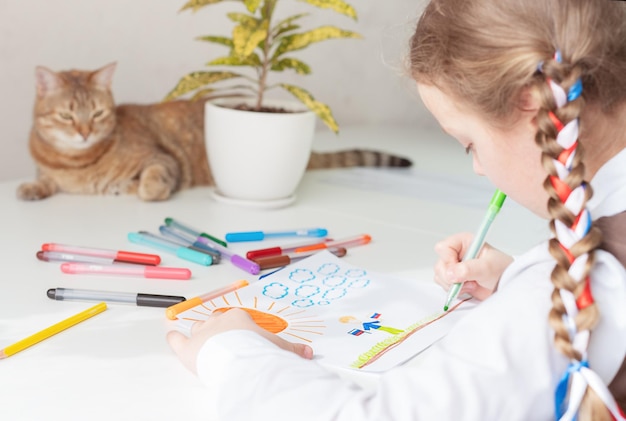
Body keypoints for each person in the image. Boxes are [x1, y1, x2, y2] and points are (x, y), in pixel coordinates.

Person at [166, 0, 626, 419]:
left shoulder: (591, 284)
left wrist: (227, 351)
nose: (480, 169)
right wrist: (516, 277)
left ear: (533, 107)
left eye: (470, 144)